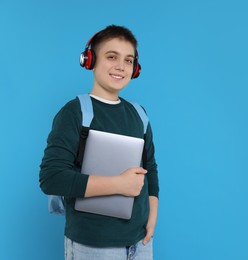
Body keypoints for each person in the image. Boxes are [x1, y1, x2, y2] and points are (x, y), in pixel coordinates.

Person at [39, 25, 159, 260]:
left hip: (140, 243)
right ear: (90, 60)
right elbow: (51, 177)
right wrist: (118, 184)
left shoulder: (139, 114)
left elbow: (150, 168)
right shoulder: (75, 112)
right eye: (111, 57)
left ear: (135, 69)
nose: (120, 66)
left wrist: (151, 217)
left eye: (128, 60)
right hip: (92, 245)